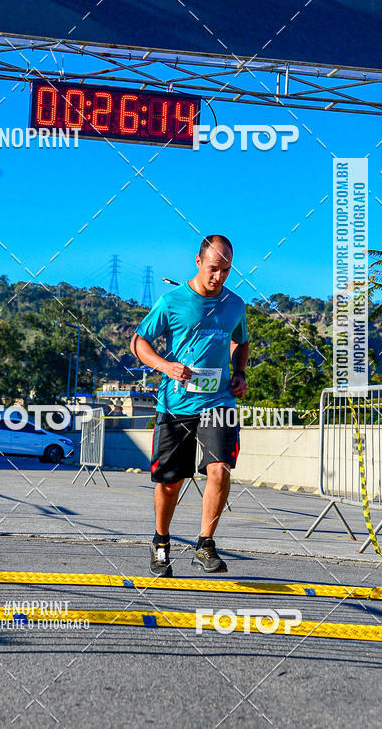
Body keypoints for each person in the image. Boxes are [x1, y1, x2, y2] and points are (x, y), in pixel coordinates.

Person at [130, 234, 248, 577]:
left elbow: (241, 341)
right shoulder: (172, 301)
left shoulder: (235, 304)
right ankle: (161, 542)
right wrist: (166, 366)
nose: (219, 276)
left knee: (220, 469)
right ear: (198, 262)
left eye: (226, 270)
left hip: (219, 401)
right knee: (171, 482)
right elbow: (138, 342)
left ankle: (205, 545)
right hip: (176, 404)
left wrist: (240, 373)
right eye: (213, 268)